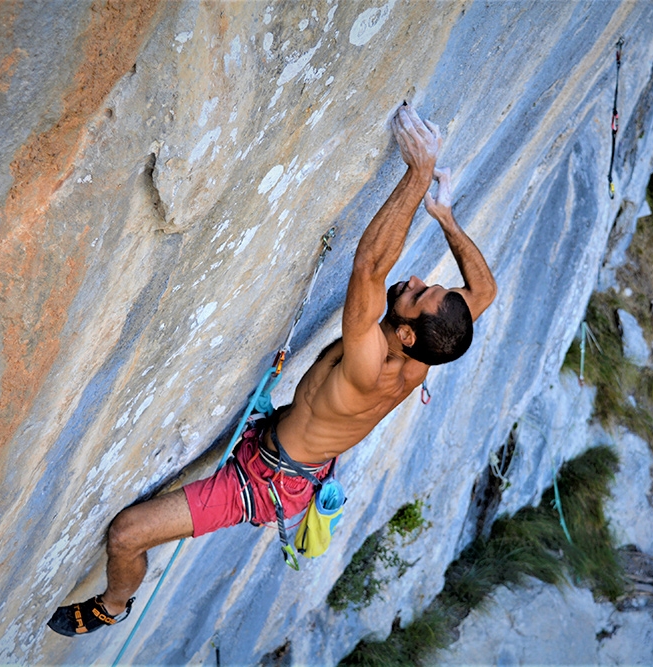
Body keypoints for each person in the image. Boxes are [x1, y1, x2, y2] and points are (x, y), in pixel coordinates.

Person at [48, 103, 496, 636]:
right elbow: (484, 292)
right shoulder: (428, 350)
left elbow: (370, 266)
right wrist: (444, 217)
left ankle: (113, 606)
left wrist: (418, 173)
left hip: (263, 484)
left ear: (404, 334)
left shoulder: (368, 367)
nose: (417, 279)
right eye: (428, 285)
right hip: (295, 454)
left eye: (419, 293)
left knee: (125, 534)